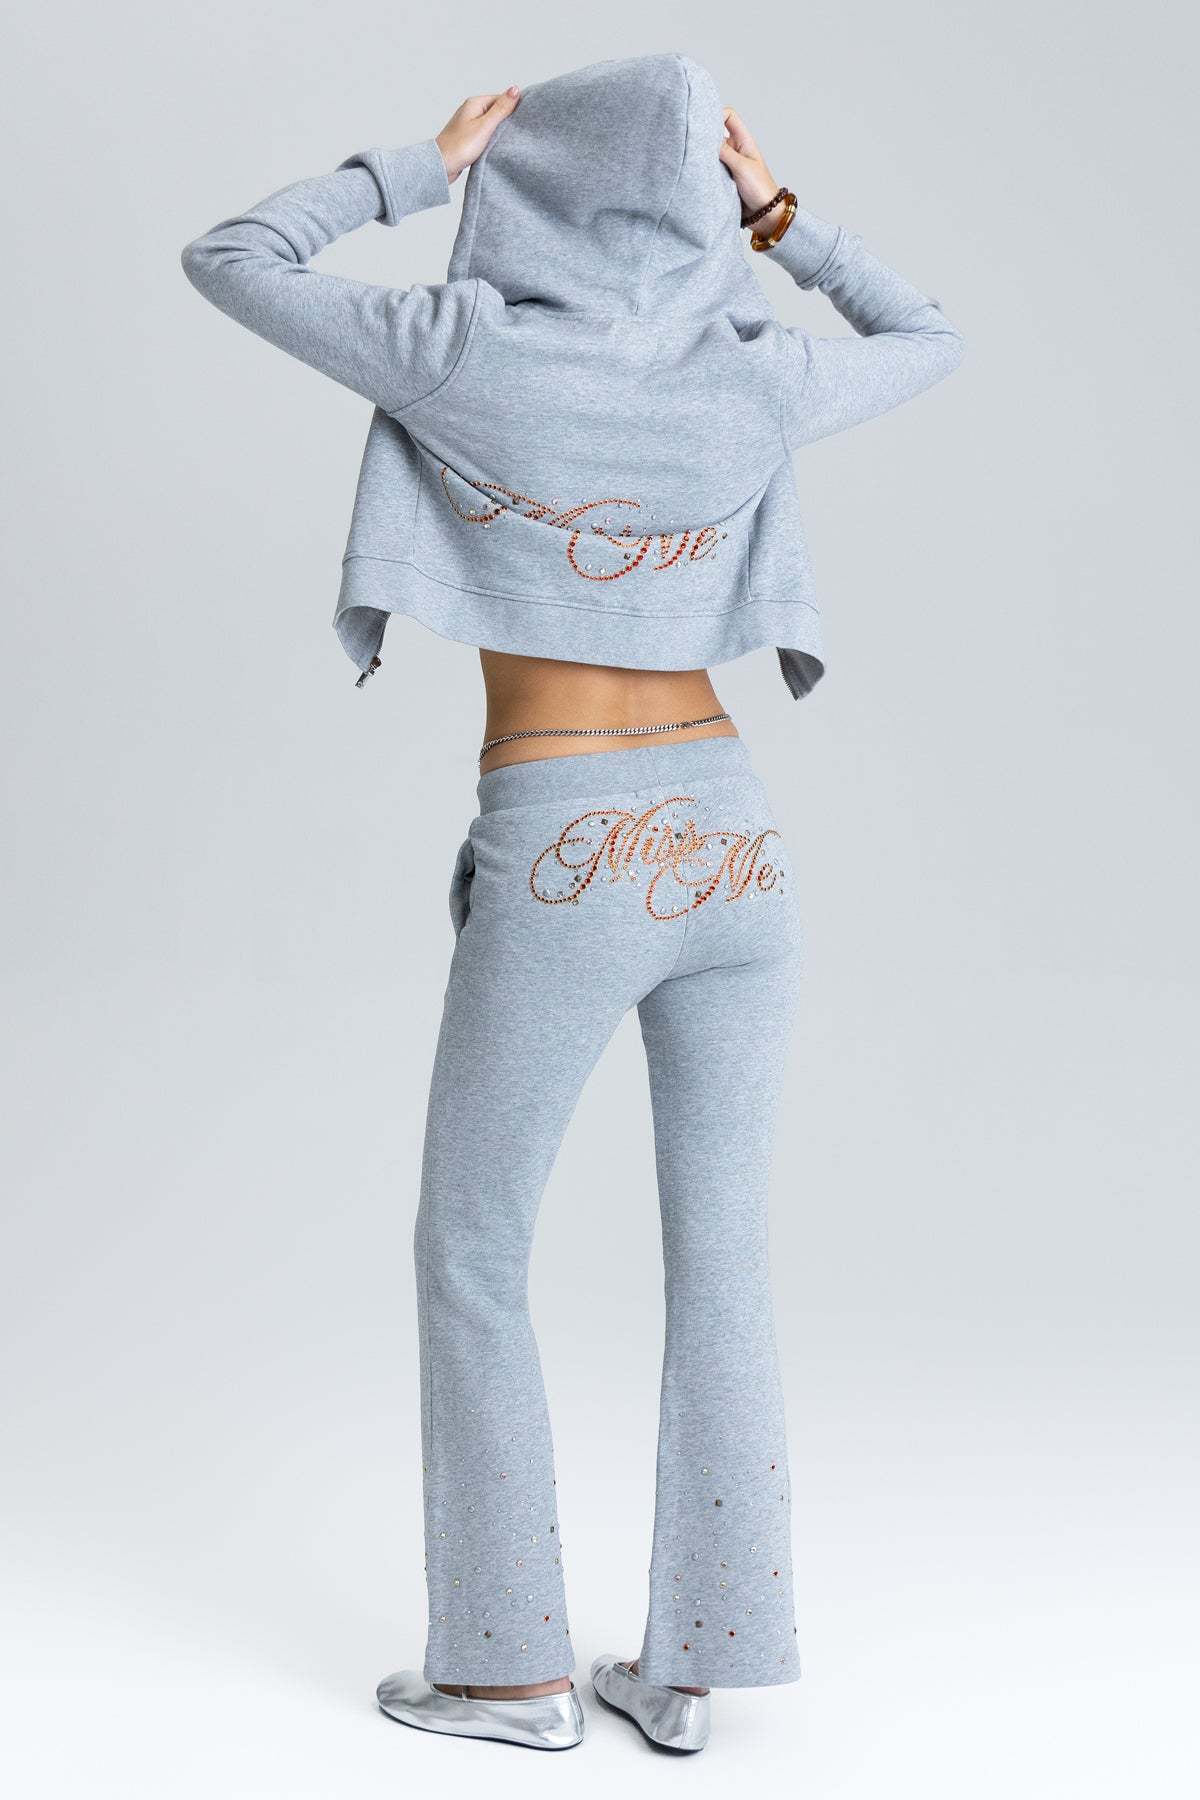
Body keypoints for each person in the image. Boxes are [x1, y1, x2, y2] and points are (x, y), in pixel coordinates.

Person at [180, 52, 964, 1755]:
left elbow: (230, 258)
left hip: (568, 841)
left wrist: (413, 168)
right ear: (692, 202)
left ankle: (506, 1670)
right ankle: (689, 1671)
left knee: (474, 1249)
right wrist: (785, 220)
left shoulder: (462, 347)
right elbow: (930, 337)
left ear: (526, 185)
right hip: (738, 837)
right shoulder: (747, 371)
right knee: (725, 1256)